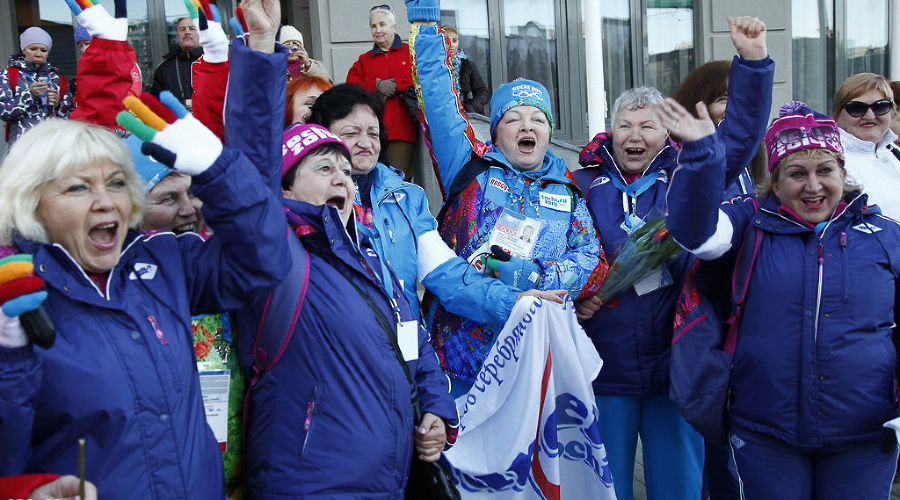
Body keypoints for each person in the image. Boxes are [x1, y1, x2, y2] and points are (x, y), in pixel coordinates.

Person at [0, 96, 288, 499]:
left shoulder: (161, 260)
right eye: (78, 187)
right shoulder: (17, 300)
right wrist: (9, 362)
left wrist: (220, 171)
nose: (106, 201)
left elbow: (265, 261)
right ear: (32, 204)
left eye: (116, 182)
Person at [661, 97, 900, 499]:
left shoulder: (884, 235)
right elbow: (694, 232)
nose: (813, 185)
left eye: (825, 170)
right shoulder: (748, 222)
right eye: (797, 173)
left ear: (844, 173)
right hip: (765, 431)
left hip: (864, 434)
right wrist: (701, 157)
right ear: (774, 182)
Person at [239, 123, 458, 497]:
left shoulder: (369, 258)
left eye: (345, 170)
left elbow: (412, 342)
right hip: (313, 486)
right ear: (283, 188)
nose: (341, 178)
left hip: (389, 481)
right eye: (324, 168)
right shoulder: (274, 257)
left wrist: (436, 408)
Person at [407, 0, 605, 396]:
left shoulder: (566, 190)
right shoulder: (470, 168)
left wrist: (532, 278)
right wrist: (426, 23)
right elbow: (440, 103)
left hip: (533, 369)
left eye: (538, 119)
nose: (527, 125)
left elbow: (593, 261)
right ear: (496, 132)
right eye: (513, 118)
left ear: (548, 132)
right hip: (461, 365)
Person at [671, 55, 772, 198]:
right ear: (697, 105)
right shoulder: (682, 158)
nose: (732, 108)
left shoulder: (756, 150)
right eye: (722, 99)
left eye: (739, 99)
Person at [346, 5, 417, 179]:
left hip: (402, 132)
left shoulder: (410, 53)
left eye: (382, 24)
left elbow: (421, 75)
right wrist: (376, 85)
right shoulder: (364, 60)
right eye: (373, 26)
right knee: (372, 181)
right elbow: (352, 86)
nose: (378, 30)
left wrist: (397, 84)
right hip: (371, 133)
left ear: (394, 27)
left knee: (398, 181)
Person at [830, 73, 900, 219]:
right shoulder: (830, 160)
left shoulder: (893, 152)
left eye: (881, 106)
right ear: (837, 114)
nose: (870, 116)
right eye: (857, 108)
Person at [1, 27, 73, 143]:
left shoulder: (58, 79)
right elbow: (5, 113)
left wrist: (58, 105)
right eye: (33, 49)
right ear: (23, 50)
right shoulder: (9, 75)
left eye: (43, 50)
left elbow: (69, 121)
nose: (38, 54)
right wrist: (30, 95)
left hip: (52, 144)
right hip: (22, 145)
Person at [150, 17, 202, 108]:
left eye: (192, 28)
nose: (187, 32)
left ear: (200, 34)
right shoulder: (163, 69)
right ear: (177, 36)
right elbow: (156, 104)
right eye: (182, 29)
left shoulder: (213, 62)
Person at [443, 26, 489, 115]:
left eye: (454, 41)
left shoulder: (467, 65)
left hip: (464, 113)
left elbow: (482, 92)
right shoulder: (434, 65)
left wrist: (469, 107)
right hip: (442, 113)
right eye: (446, 41)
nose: (451, 45)